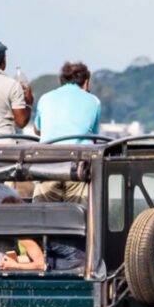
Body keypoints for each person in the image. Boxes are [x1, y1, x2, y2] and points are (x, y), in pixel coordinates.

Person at [31, 61, 101, 203]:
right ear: (86, 82)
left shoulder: (45, 98)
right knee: (80, 218)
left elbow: (38, 130)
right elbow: (93, 138)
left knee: (42, 218)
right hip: (78, 168)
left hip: (47, 166)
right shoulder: (93, 101)